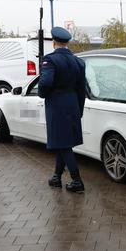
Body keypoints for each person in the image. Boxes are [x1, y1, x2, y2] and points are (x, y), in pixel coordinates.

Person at [40, 27, 87, 193]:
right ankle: (56, 177)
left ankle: (77, 180)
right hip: (73, 103)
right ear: (67, 42)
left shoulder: (51, 60)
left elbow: (45, 83)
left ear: (54, 42)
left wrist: (42, 94)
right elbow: (82, 89)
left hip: (57, 104)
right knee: (63, 141)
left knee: (63, 143)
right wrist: (79, 109)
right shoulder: (78, 61)